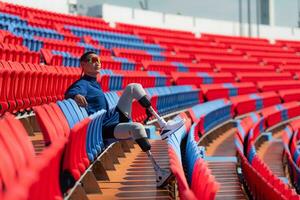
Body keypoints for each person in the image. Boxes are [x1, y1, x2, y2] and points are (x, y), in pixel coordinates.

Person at [64, 51, 184, 187]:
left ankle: (162, 124)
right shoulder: (84, 83)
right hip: (104, 128)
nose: (97, 63)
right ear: (83, 65)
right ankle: (158, 172)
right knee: (137, 128)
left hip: (113, 117)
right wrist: (75, 96)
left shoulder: (94, 82)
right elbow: (70, 91)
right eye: (93, 60)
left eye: (98, 60)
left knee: (133, 87)